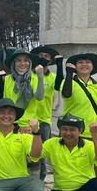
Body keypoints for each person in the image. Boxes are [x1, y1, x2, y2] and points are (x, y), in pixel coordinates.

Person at [30, 46, 64, 180]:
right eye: (40, 55)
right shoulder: (29, 74)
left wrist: (60, 65)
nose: (43, 58)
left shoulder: (52, 77)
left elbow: (59, 86)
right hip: (28, 119)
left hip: (44, 120)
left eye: (46, 56)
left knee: (42, 152)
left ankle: (41, 179)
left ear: (50, 60)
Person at [61, 53, 97, 142]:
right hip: (71, 131)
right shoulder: (68, 83)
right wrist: (69, 73)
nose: (84, 65)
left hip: (93, 132)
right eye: (80, 62)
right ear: (75, 66)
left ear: (93, 66)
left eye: (88, 62)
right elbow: (66, 94)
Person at [0, 49, 45, 130]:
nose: (23, 63)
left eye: (26, 60)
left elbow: (39, 97)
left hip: (28, 125)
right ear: (14, 63)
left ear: (30, 63)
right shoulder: (6, 79)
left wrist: (40, 76)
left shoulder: (35, 79)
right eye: (19, 61)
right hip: (9, 124)